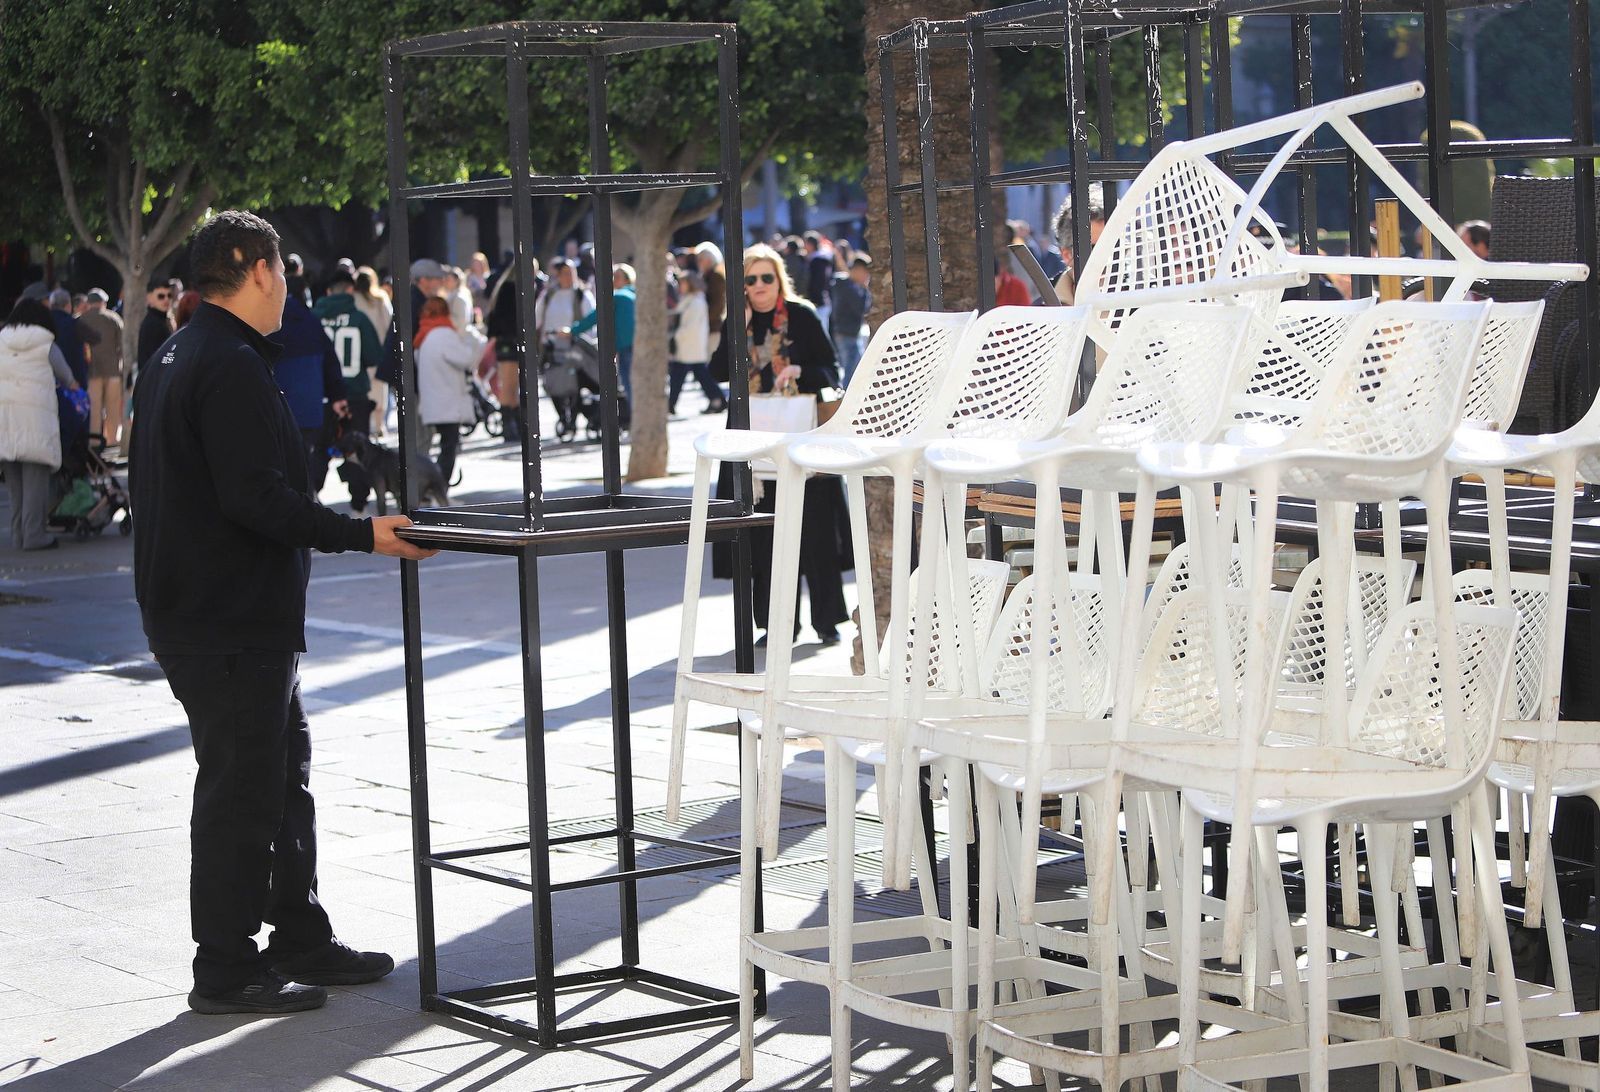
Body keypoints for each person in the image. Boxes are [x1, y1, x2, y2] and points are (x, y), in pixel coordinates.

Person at [130, 210, 435, 1017]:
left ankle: (297, 933)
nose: (289, 291)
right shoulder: (225, 360)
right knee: (240, 793)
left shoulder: (176, 352)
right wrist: (362, 533)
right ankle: (224, 967)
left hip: (217, 617)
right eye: (284, 275)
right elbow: (256, 499)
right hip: (224, 622)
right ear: (257, 269)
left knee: (278, 778)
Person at [709, 243, 852, 646]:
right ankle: (777, 625)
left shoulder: (802, 315)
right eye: (750, 279)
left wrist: (801, 370)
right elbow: (718, 371)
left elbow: (831, 368)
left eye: (766, 277)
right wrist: (737, 327)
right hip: (756, 445)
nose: (759, 285)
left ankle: (827, 621)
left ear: (779, 280)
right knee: (766, 535)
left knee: (816, 530)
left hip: (801, 437)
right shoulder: (739, 321)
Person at [0, 298, 78, 551]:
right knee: (35, 484)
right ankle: (34, 535)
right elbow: (67, 377)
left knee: (15, 487)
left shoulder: (1, 340)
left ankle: (18, 535)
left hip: (5, 421)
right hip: (35, 421)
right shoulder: (46, 344)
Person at [274, 292, 348, 494]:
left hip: (280, 407)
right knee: (305, 457)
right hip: (310, 407)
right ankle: (307, 496)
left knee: (280, 459)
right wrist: (337, 395)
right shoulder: (312, 323)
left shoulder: (270, 326)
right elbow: (331, 363)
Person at [413, 295, 486, 484]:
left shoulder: (424, 335)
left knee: (438, 445)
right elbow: (466, 359)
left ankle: (433, 486)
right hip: (447, 402)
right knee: (449, 446)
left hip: (432, 401)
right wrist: (476, 340)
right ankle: (440, 486)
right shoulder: (444, 335)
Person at [313, 270, 381, 437]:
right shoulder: (360, 319)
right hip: (355, 393)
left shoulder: (313, 318)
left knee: (319, 454)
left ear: (328, 291)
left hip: (322, 395)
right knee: (358, 452)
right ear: (350, 290)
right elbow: (374, 356)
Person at [568, 263, 636, 401]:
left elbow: (595, 317)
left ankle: (634, 417)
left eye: (617, 277)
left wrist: (572, 331)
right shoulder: (635, 295)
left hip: (626, 347)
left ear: (627, 280)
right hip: (637, 346)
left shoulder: (618, 296)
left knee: (629, 385)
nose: (613, 280)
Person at [667, 271, 721, 415]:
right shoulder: (689, 299)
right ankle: (717, 399)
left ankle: (718, 399)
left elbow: (690, 326)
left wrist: (675, 335)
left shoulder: (696, 302)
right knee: (696, 374)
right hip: (687, 345)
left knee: (689, 374)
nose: (680, 286)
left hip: (690, 344)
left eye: (683, 283)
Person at [77, 288, 126, 448]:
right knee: (113, 408)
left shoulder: (80, 320)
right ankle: (112, 441)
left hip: (92, 371)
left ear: (88, 303)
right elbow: (122, 346)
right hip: (113, 370)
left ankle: (94, 441)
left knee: (95, 408)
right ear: (103, 302)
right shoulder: (114, 318)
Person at [352, 267, 394, 437]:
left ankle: (365, 426)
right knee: (379, 392)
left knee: (363, 391)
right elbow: (389, 324)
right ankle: (378, 426)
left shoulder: (352, 300)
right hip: (379, 352)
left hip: (358, 352)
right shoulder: (380, 298)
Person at [1050, 185, 1107, 304]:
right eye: (1094, 249)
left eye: (1117, 246)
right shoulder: (1041, 312)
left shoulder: (1145, 301)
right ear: (1067, 255)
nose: (1107, 257)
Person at [534, 258, 595, 362]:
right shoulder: (548, 295)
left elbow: (590, 323)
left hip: (574, 349)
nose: (568, 277)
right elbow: (536, 318)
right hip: (550, 347)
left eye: (571, 273)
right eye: (564, 273)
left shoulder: (583, 295)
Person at [829, 254, 872, 387]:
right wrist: (865, 290)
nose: (867, 277)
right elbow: (861, 308)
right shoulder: (848, 288)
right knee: (850, 369)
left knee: (854, 366)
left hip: (846, 331)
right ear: (859, 270)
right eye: (866, 273)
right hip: (847, 332)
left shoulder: (843, 284)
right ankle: (845, 396)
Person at [48, 287, 94, 387]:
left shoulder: (43, 323)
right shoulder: (75, 323)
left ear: (50, 305)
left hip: (49, 379)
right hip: (75, 377)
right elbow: (96, 338)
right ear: (69, 305)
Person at [695, 242, 728, 356]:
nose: (698, 263)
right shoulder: (707, 276)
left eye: (700, 260)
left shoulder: (716, 276)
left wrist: (703, 320)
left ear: (709, 260)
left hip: (714, 328)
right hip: (710, 327)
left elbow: (718, 305)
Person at [137, 282, 175, 374]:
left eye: (169, 295)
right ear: (150, 298)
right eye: (161, 296)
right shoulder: (153, 323)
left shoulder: (162, 320)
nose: (166, 299)